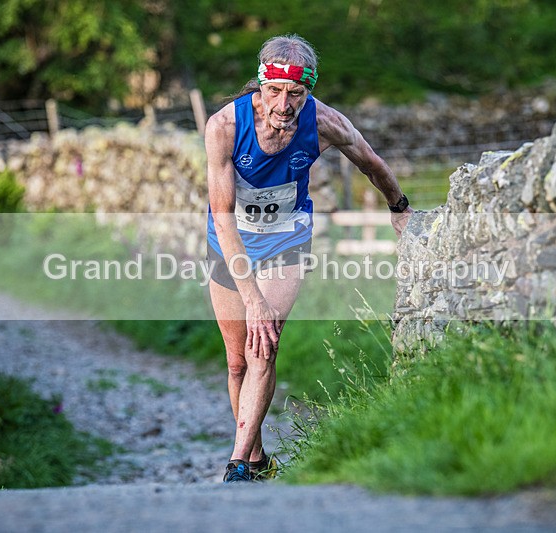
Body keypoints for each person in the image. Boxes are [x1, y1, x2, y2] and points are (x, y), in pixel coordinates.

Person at [205, 34, 413, 483]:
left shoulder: (324, 122)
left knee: (264, 344)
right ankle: (257, 457)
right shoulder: (224, 126)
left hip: (285, 239)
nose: (283, 104)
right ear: (260, 86)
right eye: (275, 92)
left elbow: (371, 163)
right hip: (231, 240)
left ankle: (237, 464)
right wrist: (252, 298)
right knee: (237, 361)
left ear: (309, 91)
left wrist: (400, 208)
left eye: (295, 94)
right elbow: (222, 218)